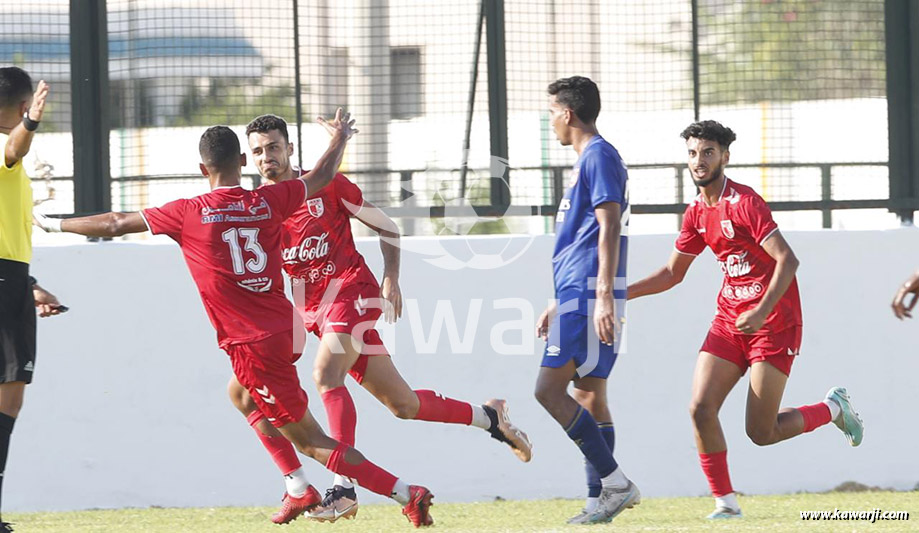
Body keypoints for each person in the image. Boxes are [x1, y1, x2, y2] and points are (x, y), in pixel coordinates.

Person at [34, 115, 436, 528]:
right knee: (241, 396)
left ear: (202, 169)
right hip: (287, 328)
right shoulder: (268, 200)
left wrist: (51, 222)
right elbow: (322, 175)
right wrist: (339, 138)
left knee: (312, 441)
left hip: (253, 342)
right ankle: (298, 488)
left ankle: (407, 493)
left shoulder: (188, 211)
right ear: (243, 160)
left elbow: (116, 223)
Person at [228, 114, 532, 524]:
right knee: (401, 404)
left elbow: (386, 226)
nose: (268, 157)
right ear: (250, 158)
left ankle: (342, 487)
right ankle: (490, 418)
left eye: (275, 147)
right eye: (259, 151)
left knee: (325, 375)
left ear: (290, 150)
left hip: (351, 292)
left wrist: (391, 277)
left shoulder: (327, 185)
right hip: (308, 310)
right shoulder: (257, 208)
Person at [627, 120, 864, 519]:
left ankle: (833, 410)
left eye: (707, 152)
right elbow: (672, 274)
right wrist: (617, 294)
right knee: (700, 409)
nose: (699, 161)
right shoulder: (697, 213)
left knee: (762, 433)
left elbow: (788, 260)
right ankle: (726, 504)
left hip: (773, 323)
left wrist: (761, 310)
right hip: (730, 322)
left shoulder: (745, 203)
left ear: (725, 156)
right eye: (692, 153)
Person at [533, 76, 637, 525]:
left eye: (551, 111)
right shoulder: (589, 159)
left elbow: (608, 224)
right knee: (589, 394)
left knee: (548, 391)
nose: (549, 120)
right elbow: (585, 236)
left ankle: (616, 484)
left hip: (590, 294)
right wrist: (560, 300)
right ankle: (599, 503)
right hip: (579, 293)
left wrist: (601, 295)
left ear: (567, 114)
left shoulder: (598, 155)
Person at [0, 66, 67, 533]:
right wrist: (32, 125)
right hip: (5, 282)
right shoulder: (7, 145)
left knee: (9, 400)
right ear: (24, 106)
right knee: (8, 399)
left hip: (12, 279)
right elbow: (12, 149)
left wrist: (31, 284)